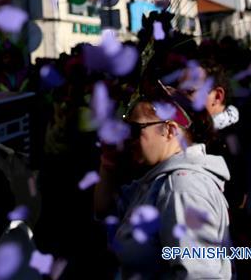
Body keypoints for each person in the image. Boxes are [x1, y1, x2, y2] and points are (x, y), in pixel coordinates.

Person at [94, 84, 232, 279]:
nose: (127, 138)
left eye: (135, 129)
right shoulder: (157, 180)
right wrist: (108, 165)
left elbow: (199, 275)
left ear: (169, 131)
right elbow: (105, 211)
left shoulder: (182, 188)